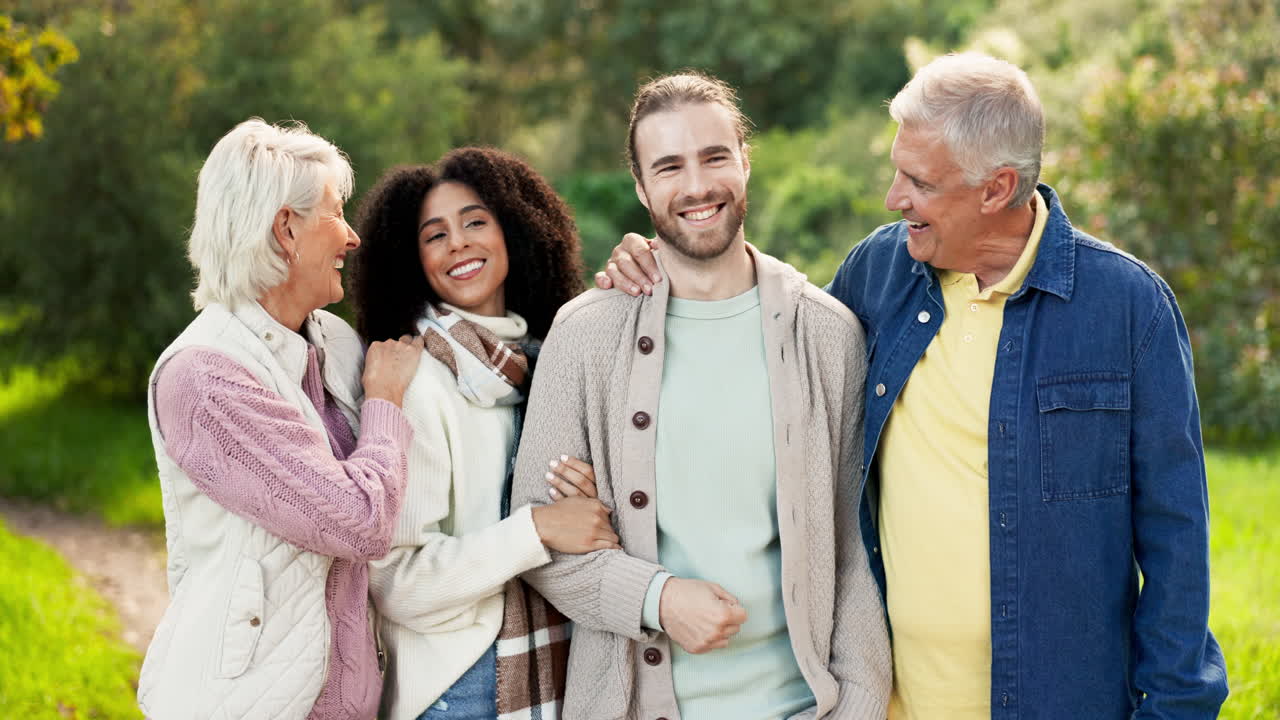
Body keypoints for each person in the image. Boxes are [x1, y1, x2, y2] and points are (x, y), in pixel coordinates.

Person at [600, 53, 1229, 719]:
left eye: (919, 181)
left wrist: (1174, 709)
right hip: (893, 703)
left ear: (996, 189)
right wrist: (658, 264)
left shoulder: (1128, 308)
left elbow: (1176, 541)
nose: (893, 198)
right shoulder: (879, 271)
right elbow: (770, 360)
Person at [511, 72, 891, 720]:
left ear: (745, 160)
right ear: (641, 186)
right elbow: (537, 541)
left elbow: (855, 554)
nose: (696, 186)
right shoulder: (585, 336)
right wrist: (656, 599)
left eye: (715, 157)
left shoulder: (828, 335)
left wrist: (857, 705)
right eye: (669, 167)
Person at [139, 119, 423, 720]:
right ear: (286, 228)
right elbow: (358, 521)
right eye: (336, 213)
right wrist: (384, 402)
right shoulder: (205, 378)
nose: (352, 236)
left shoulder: (334, 341)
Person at [351, 147, 620, 720]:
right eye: (435, 235)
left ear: (515, 231)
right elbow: (396, 582)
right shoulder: (419, 380)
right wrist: (538, 528)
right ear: (412, 259)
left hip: (559, 665)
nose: (458, 244)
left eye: (475, 222)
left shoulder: (544, 362)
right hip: (464, 685)